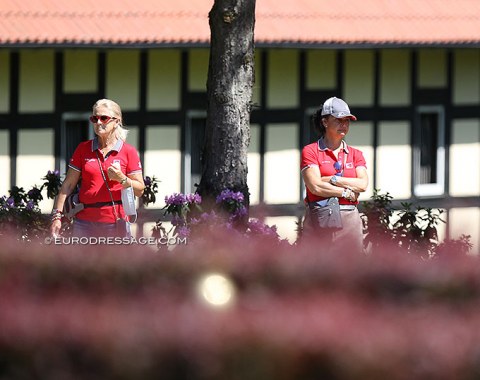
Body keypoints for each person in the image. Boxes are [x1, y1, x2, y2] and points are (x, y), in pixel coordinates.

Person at [50, 99, 145, 238]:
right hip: (83, 223)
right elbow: (68, 185)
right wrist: (56, 217)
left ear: (116, 121)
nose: (98, 122)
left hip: (115, 223)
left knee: (114, 261)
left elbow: (140, 190)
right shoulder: (83, 149)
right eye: (94, 118)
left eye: (104, 118)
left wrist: (122, 179)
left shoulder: (128, 151)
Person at [300, 97, 368, 253]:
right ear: (325, 122)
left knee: (352, 272)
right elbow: (315, 186)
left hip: (350, 222)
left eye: (347, 121)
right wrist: (345, 192)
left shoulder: (356, 154)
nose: (344, 125)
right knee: (314, 271)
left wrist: (333, 179)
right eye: (338, 120)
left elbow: (363, 184)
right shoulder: (310, 151)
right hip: (319, 220)